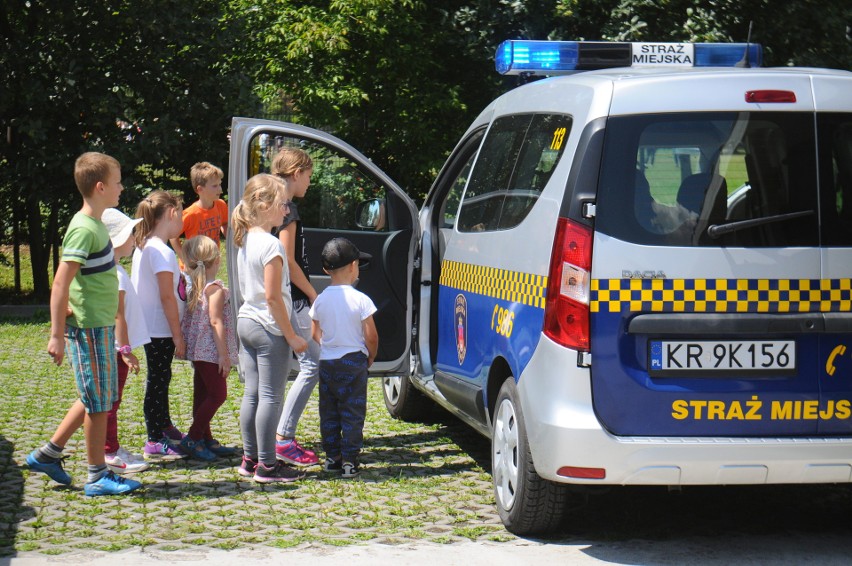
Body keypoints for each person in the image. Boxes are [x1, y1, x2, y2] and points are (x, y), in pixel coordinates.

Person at [28, 152, 142, 496]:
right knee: (98, 402)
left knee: (96, 395)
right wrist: (56, 335)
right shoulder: (83, 229)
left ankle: (47, 455)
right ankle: (97, 476)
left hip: (100, 327)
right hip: (88, 329)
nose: (122, 188)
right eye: (118, 182)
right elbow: (61, 283)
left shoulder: (95, 225)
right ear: (101, 186)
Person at [232, 173, 308, 483]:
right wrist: (291, 335)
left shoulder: (246, 239)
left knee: (251, 394)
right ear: (264, 205)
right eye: (282, 204)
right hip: (268, 328)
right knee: (270, 396)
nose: (286, 211)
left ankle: (250, 459)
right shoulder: (272, 245)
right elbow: (274, 297)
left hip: (247, 321)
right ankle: (267, 465)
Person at [310, 237, 378, 479]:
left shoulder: (321, 299)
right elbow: (370, 335)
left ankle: (331, 458)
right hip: (353, 361)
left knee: (329, 411)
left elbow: (314, 331)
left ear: (327, 270)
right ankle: (350, 460)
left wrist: (328, 345)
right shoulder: (361, 299)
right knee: (352, 410)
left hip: (328, 362)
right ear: (352, 266)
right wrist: (370, 356)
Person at [270, 148, 320, 466]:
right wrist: (314, 293)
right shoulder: (288, 209)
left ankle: (272, 438)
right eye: (309, 175)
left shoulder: (271, 204)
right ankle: (283, 438)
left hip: (280, 297)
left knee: (277, 373)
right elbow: (288, 260)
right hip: (293, 300)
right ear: (296, 172)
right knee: (312, 365)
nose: (310, 183)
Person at [132, 190, 188, 461]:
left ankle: (163, 425)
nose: (183, 221)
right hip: (159, 328)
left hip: (153, 326)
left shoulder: (147, 245)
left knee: (162, 377)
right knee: (157, 380)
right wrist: (178, 335)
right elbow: (167, 296)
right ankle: (154, 439)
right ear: (171, 213)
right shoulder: (161, 252)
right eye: (181, 213)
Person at [179, 235, 239, 461]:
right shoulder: (213, 288)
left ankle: (205, 437)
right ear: (217, 259)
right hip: (211, 351)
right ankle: (193, 438)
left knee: (202, 393)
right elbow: (216, 321)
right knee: (217, 394)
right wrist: (223, 355)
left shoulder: (197, 285)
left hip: (199, 350)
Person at [101, 208, 151, 474]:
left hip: (115, 349)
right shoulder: (115, 274)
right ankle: (108, 451)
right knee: (111, 401)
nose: (134, 238)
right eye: (130, 234)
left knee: (113, 401)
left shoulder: (116, 268)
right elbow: (118, 315)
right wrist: (126, 350)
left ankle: (111, 446)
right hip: (115, 350)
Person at [170, 161, 227, 267]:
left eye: (220, 184)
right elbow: (173, 237)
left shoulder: (221, 205)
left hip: (211, 263)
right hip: (193, 268)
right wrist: (185, 258)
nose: (220, 189)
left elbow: (225, 223)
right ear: (200, 189)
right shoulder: (190, 213)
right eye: (215, 186)